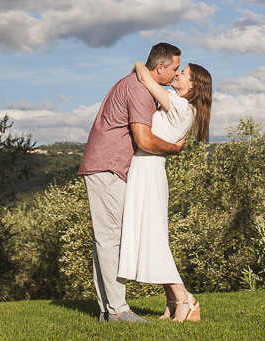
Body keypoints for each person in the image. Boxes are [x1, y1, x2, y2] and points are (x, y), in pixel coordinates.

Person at [78, 43, 186, 323]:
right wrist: (174, 149)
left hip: (105, 167)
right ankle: (118, 310)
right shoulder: (138, 90)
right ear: (159, 68)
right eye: (175, 69)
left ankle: (109, 310)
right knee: (110, 239)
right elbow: (144, 140)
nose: (176, 75)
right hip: (108, 167)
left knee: (105, 239)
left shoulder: (136, 83)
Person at [118, 59, 212, 322]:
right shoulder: (184, 108)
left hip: (148, 170)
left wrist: (138, 64)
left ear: (192, 85)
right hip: (147, 168)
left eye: (182, 73)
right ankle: (173, 301)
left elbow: (147, 79)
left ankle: (185, 299)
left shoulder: (180, 103)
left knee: (154, 239)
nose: (177, 75)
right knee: (151, 237)